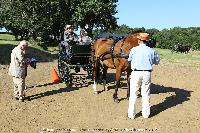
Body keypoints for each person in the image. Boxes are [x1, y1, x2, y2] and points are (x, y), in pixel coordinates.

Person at [127, 33, 160, 119]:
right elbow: (157, 62)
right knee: (145, 93)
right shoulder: (151, 51)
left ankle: (131, 114)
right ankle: (146, 114)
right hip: (147, 73)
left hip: (136, 73)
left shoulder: (134, 49)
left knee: (133, 93)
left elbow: (129, 59)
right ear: (147, 41)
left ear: (139, 41)